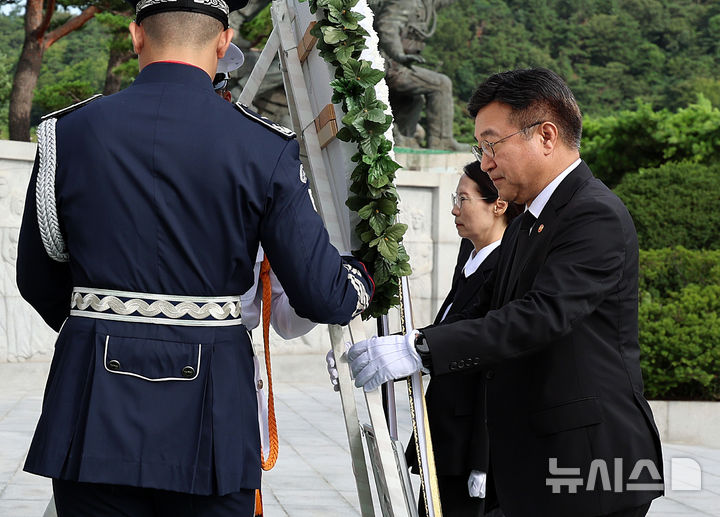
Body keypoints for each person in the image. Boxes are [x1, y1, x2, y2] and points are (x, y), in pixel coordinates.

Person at [16, 0, 374, 514]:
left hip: (93, 406)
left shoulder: (66, 134)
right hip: (211, 416)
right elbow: (322, 296)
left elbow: (37, 276)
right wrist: (361, 275)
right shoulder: (263, 146)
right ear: (224, 42)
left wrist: (104, 327)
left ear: (137, 35)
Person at [348, 68, 664, 517]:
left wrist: (419, 350)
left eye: (492, 144)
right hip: (534, 463)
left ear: (546, 136)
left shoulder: (594, 214)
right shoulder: (526, 225)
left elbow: (539, 316)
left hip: (590, 463)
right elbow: (479, 311)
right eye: (481, 148)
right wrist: (386, 346)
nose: (485, 162)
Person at [405, 161, 520, 517]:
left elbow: (493, 365)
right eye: (455, 199)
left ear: (498, 205)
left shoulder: (505, 270)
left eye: (463, 199)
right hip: (445, 432)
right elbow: (448, 328)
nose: (455, 209)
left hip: (470, 443)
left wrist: (481, 459)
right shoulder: (470, 258)